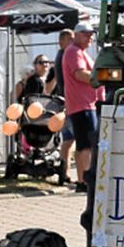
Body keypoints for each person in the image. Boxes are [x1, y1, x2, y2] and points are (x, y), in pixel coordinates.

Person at [63, 22, 105, 193]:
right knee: (86, 145)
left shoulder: (80, 52)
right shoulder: (74, 51)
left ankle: (83, 180)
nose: (90, 38)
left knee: (84, 144)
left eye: (91, 35)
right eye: (86, 34)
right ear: (77, 35)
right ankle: (84, 181)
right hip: (83, 105)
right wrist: (104, 77)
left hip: (84, 105)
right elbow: (80, 74)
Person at [47, 29, 75, 185]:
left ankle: (64, 172)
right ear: (61, 41)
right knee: (78, 139)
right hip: (69, 102)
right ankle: (79, 175)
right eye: (69, 39)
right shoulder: (65, 56)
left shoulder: (61, 55)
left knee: (68, 140)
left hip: (64, 101)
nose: (73, 42)